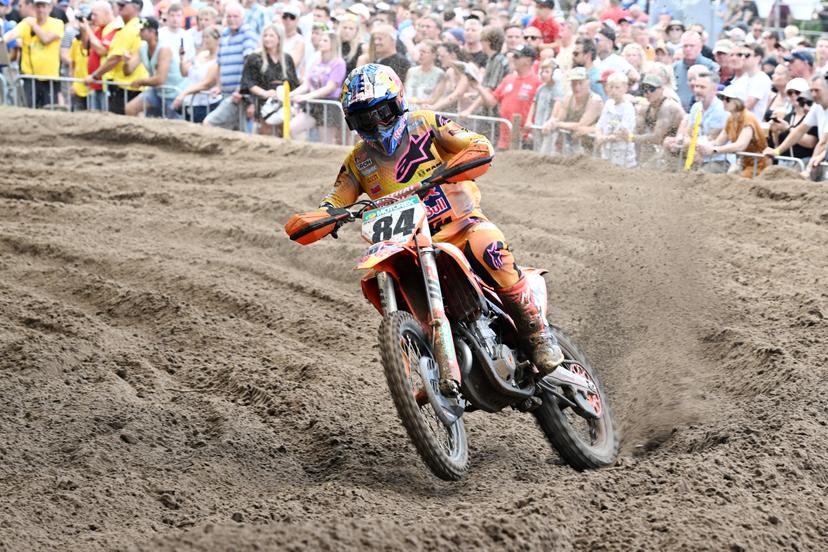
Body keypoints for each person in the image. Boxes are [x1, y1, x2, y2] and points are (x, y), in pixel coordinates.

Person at [293, 63, 565, 393]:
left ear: (398, 103)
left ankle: (538, 335)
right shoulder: (357, 161)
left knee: (490, 250)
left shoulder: (426, 124)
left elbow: (472, 141)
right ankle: (422, 357)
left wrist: (469, 154)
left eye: (382, 112)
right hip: (405, 242)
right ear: (353, 123)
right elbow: (336, 198)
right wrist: (324, 217)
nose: (376, 124)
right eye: (365, 118)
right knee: (381, 277)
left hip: (460, 225)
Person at [84, 0, 148, 115]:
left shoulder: (131, 28)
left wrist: (94, 75)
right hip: (126, 84)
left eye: (123, 5)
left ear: (136, 7)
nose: (119, 7)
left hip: (128, 86)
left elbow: (114, 59)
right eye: (119, 4)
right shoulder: (127, 27)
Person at [474, 44, 542, 150]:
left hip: (524, 139)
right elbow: (491, 102)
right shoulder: (508, 79)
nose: (513, 59)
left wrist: (533, 132)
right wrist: (477, 86)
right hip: (504, 139)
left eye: (517, 57)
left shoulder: (537, 83)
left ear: (528, 61)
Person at [203, 2, 256, 130]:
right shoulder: (225, 34)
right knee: (236, 132)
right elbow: (220, 63)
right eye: (229, 16)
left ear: (242, 17)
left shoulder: (247, 33)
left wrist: (240, 89)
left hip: (239, 95)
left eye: (235, 16)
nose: (232, 19)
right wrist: (218, 86)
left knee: (209, 122)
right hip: (227, 93)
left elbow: (249, 62)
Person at [696, 84, 768, 178]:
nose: (724, 102)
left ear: (737, 102)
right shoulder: (731, 118)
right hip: (742, 163)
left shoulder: (748, 118)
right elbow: (719, 141)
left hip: (758, 165)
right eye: (722, 98)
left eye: (727, 99)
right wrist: (705, 146)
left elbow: (740, 145)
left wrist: (714, 150)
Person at [239, 22, 299, 135]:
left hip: (284, 104)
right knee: (267, 136)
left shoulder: (287, 58)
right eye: (265, 35)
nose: (267, 39)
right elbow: (248, 82)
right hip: (263, 104)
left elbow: (294, 82)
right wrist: (265, 93)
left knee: (286, 135)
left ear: (279, 38)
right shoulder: (255, 58)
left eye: (271, 35)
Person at [3, 0, 64, 108]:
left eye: (43, 6)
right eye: (38, 6)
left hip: (49, 78)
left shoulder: (57, 23)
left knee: (49, 110)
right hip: (30, 78)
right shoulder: (26, 24)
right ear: (34, 8)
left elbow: (46, 39)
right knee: (30, 110)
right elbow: (12, 34)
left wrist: (34, 25)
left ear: (50, 8)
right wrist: (2, 40)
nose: (41, 10)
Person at [664, 72, 729, 173]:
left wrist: (688, 143)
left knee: (698, 177)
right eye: (696, 86)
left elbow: (713, 139)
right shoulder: (696, 107)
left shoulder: (721, 110)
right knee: (670, 146)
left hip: (717, 159)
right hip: (696, 154)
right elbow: (689, 133)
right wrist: (679, 140)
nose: (697, 90)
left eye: (702, 87)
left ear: (714, 89)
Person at [289, 29, 345, 142]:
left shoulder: (339, 63)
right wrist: (290, 94)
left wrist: (306, 97)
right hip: (314, 104)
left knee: (326, 142)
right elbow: (307, 84)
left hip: (329, 105)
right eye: (321, 40)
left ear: (333, 44)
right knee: (292, 128)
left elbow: (330, 87)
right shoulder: (316, 61)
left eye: (325, 40)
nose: (321, 43)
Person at [125, 16, 184, 118]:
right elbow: (128, 70)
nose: (139, 33)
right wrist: (125, 62)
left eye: (142, 30)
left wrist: (140, 82)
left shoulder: (164, 49)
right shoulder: (143, 47)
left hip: (173, 93)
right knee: (130, 108)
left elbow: (160, 79)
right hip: (157, 91)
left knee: (175, 127)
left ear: (152, 32)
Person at [542, 66, 603, 155]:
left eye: (580, 83)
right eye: (573, 83)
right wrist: (551, 122)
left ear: (588, 83)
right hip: (573, 145)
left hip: (592, 148)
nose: (577, 87)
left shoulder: (595, 101)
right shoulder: (569, 97)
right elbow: (559, 118)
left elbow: (580, 125)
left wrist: (557, 125)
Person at [172, 24, 221, 122]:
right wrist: (182, 58)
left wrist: (184, 93)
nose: (205, 40)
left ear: (217, 40)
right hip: (191, 102)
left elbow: (206, 84)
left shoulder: (218, 60)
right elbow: (185, 72)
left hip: (207, 104)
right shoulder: (201, 55)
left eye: (208, 37)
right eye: (204, 37)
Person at [630, 73, 684, 161]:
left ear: (662, 89)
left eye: (652, 89)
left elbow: (657, 138)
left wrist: (630, 137)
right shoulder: (645, 108)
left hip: (678, 149)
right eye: (644, 89)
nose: (647, 93)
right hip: (663, 148)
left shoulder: (668, 106)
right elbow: (637, 131)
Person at [79, 0, 120, 111]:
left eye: (95, 14)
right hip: (96, 83)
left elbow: (102, 50)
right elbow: (86, 48)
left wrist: (88, 29)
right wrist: (85, 31)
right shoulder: (101, 29)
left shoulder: (115, 28)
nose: (92, 18)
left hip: (105, 83)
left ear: (106, 13)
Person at [766, 81, 817, 168]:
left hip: (803, 163)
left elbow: (810, 143)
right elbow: (778, 145)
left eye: (797, 92)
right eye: (790, 93)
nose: (793, 95)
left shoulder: (812, 117)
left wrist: (788, 128)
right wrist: (775, 131)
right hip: (784, 162)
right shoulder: (787, 117)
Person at [594, 72, 635, 167]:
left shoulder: (628, 107)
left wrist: (605, 138)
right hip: (607, 151)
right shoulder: (608, 104)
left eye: (617, 87)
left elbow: (623, 131)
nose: (613, 91)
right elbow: (600, 125)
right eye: (611, 87)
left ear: (625, 88)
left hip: (623, 154)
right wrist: (599, 136)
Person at [673, 31, 719, 112]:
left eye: (692, 46)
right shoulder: (675, 68)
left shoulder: (711, 67)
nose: (688, 49)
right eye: (685, 46)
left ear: (700, 47)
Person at [527, 57, 560, 155]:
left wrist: (550, 122)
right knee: (537, 151)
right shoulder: (540, 89)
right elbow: (534, 104)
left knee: (546, 153)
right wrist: (529, 120)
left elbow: (557, 106)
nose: (543, 74)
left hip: (549, 128)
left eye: (547, 71)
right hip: (538, 125)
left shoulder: (557, 89)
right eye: (542, 71)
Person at [404, 39, 444, 110]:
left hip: (426, 113)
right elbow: (404, 93)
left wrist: (413, 101)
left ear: (434, 55)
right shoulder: (411, 71)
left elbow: (434, 100)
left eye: (424, 52)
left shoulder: (440, 74)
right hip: (408, 111)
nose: (421, 54)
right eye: (420, 51)